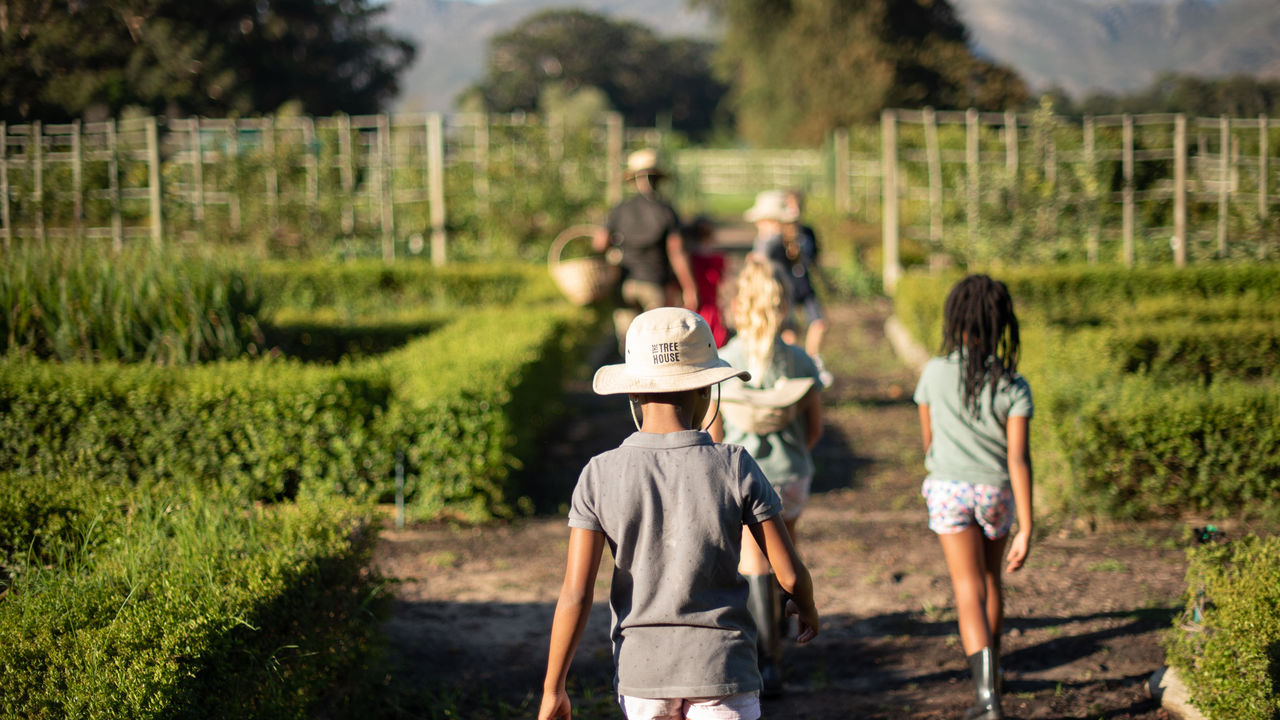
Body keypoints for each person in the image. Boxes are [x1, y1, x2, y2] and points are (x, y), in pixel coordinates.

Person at [538, 307, 820, 720]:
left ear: (633, 392)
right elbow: (789, 573)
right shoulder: (735, 464)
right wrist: (806, 605)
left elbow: (575, 595)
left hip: (643, 674)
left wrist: (553, 688)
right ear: (707, 390)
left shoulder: (599, 473)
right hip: (723, 669)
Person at [912, 274, 1034, 720]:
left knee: (965, 588)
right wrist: (1027, 525)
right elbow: (1019, 459)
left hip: (948, 489)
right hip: (997, 491)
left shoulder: (932, 373)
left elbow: (928, 442)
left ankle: (986, 700)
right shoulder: (1013, 385)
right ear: (1001, 324)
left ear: (955, 321)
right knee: (990, 581)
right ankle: (996, 673)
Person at [710, 255, 824, 697]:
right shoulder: (801, 361)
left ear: (738, 304)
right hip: (792, 477)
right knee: (785, 553)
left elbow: (715, 434)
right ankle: (779, 630)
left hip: (743, 482)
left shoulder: (723, 363)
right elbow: (814, 430)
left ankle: (767, 662)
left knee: (753, 562)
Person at [594, 149, 699, 354]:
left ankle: (630, 382)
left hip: (625, 285)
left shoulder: (619, 209)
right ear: (659, 179)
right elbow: (677, 251)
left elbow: (600, 243)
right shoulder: (665, 210)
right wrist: (689, 287)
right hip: (654, 284)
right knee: (655, 345)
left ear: (633, 180)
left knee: (628, 343)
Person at [743, 190, 832, 387]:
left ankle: (781, 376)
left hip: (771, 295)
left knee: (779, 333)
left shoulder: (770, 241)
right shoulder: (775, 240)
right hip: (776, 295)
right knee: (785, 333)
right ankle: (788, 375)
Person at [686, 215, 730, 347]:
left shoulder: (689, 259)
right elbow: (722, 283)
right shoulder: (717, 259)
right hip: (711, 307)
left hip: (694, 306)